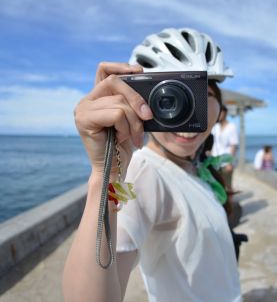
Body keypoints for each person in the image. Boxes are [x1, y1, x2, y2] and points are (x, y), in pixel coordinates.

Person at [63, 28, 241, 302]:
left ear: (220, 104)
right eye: (169, 98)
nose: (185, 115)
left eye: (200, 94)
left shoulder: (192, 163)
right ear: (139, 102)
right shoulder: (140, 175)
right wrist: (106, 175)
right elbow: (121, 202)